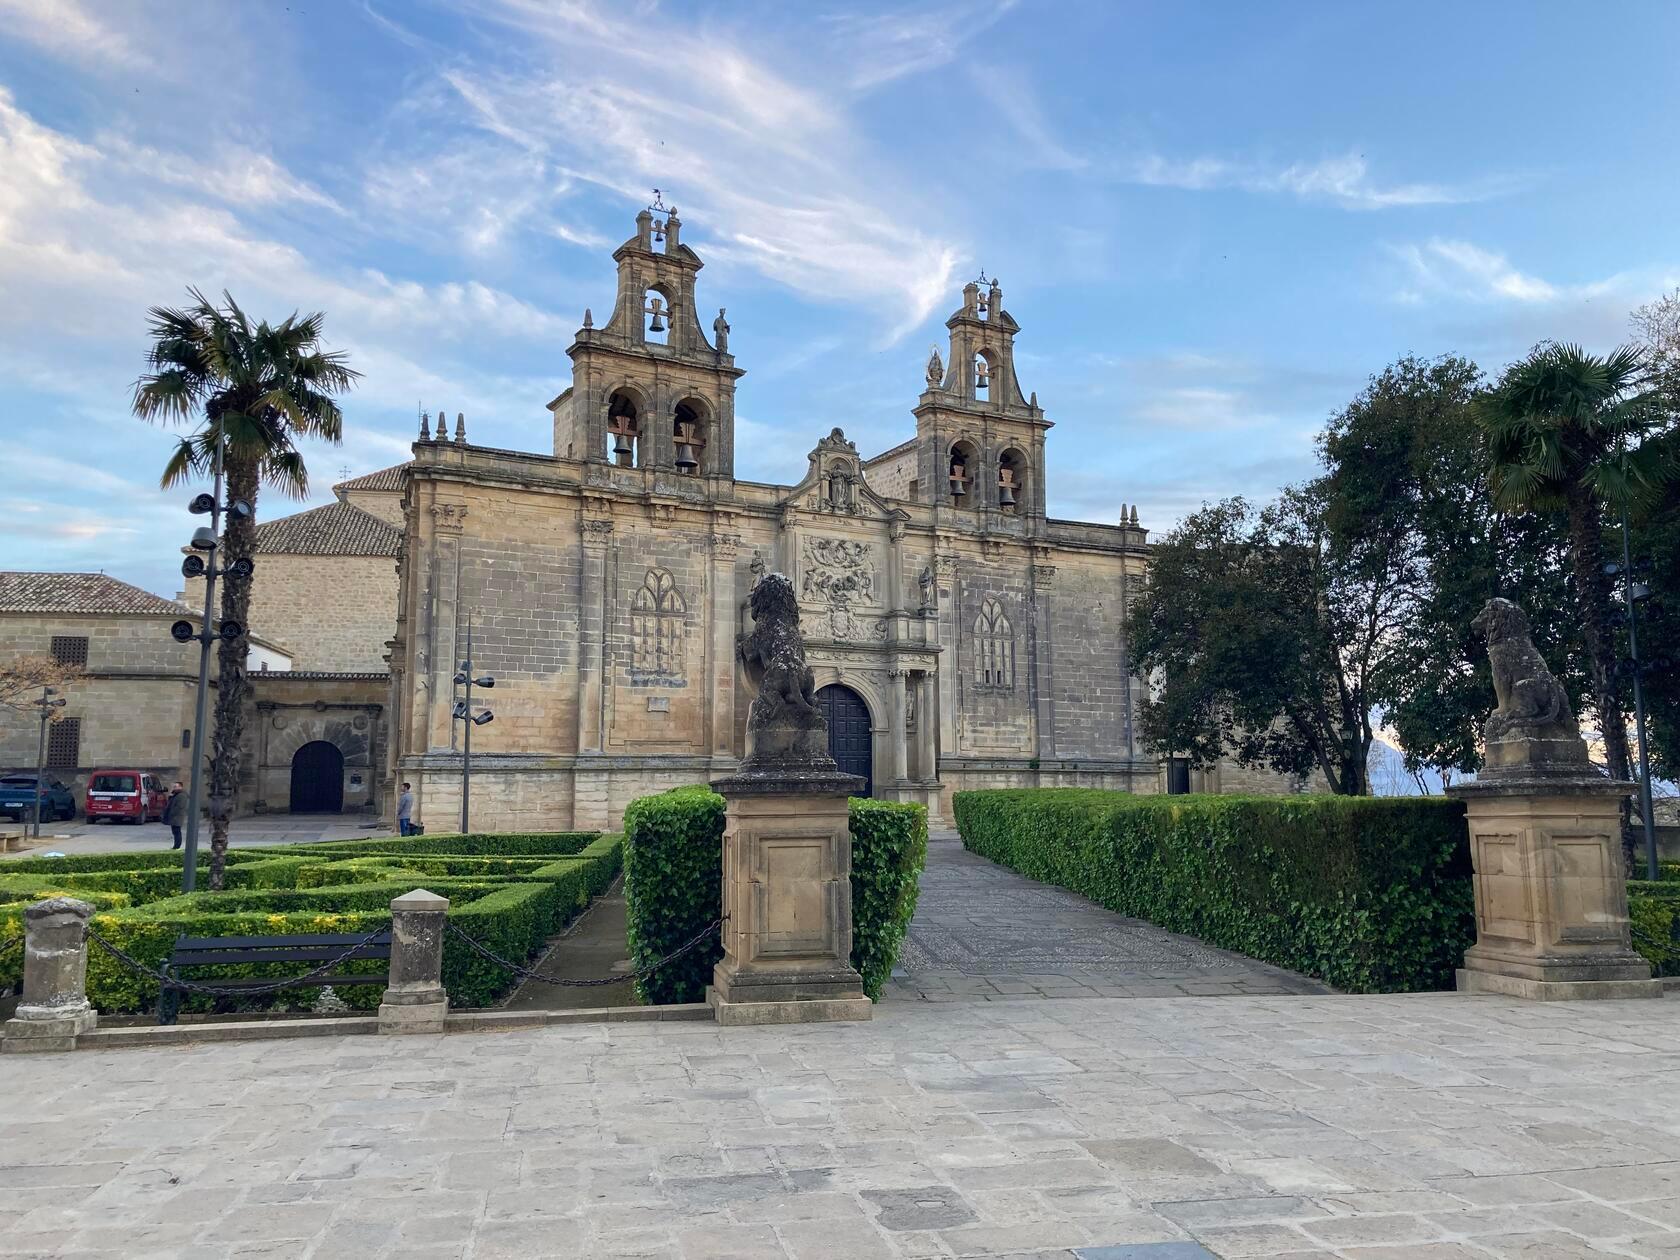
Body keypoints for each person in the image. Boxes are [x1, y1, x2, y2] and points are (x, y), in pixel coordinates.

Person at [164, 781, 187, 850]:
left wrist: (172, 812)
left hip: (177, 817)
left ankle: (177, 846)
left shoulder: (182, 795)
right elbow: (170, 803)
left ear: (180, 787)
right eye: (174, 787)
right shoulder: (175, 794)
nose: (174, 788)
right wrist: (170, 796)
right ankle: (176, 845)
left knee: (177, 831)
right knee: (174, 831)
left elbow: (180, 806)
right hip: (174, 817)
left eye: (175, 786)